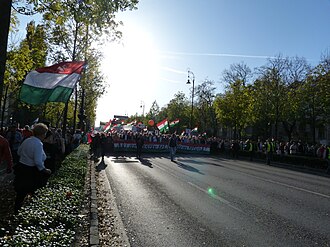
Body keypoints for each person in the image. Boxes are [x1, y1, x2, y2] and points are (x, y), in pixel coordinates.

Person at [13, 123, 51, 213]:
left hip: (21, 168)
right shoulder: (38, 144)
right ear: (42, 134)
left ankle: (16, 211)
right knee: (34, 192)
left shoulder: (27, 140)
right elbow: (38, 161)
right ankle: (30, 213)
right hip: (31, 171)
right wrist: (45, 170)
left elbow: (19, 152)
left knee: (20, 194)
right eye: (45, 133)